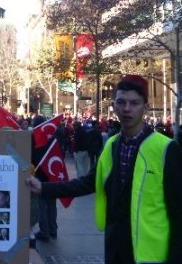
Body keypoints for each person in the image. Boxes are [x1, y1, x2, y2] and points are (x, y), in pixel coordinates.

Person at [26, 75, 182, 264]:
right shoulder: (111, 145)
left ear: (145, 107)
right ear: (114, 106)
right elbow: (88, 182)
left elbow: (178, 212)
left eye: (134, 103)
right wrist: (43, 188)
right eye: (121, 102)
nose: (126, 109)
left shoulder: (166, 149)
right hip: (115, 249)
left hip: (152, 256)